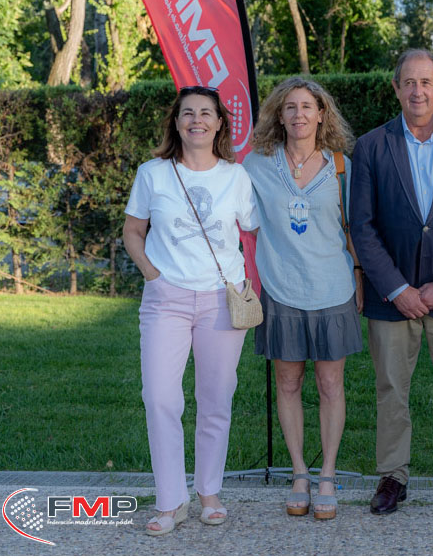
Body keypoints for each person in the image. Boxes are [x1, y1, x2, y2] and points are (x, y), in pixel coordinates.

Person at [349, 49, 433, 517]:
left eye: (426, 82)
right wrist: (397, 288)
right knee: (391, 390)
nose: (417, 91)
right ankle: (393, 476)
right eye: (408, 82)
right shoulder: (371, 146)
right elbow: (362, 225)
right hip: (393, 298)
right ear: (396, 88)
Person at [123, 85, 259, 536]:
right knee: (160, 397)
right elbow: (133, 232)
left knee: (216, 399)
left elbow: (253, 233)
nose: (196, 120)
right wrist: (152, 275)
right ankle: (170, 501)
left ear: (219, 124)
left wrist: (250, 283)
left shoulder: (236, 177)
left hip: (222, 299)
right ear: (176, 122)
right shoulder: (153, 173)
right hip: (167, 300)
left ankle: (209, 492)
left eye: (205, 113)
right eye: (187, 113)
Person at [242, 78, 363, 520]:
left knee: (330, 385)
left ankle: (326, 474)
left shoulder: (341, 166)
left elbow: (354, 228)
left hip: (333, 290)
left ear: (321, 114)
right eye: (290, 107)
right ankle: (298, 473)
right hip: (281, 290)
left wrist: (360, 276)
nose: (299, 115)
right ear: (279, 115)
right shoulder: (256, 165)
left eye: (307, 107)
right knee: (288, 384)